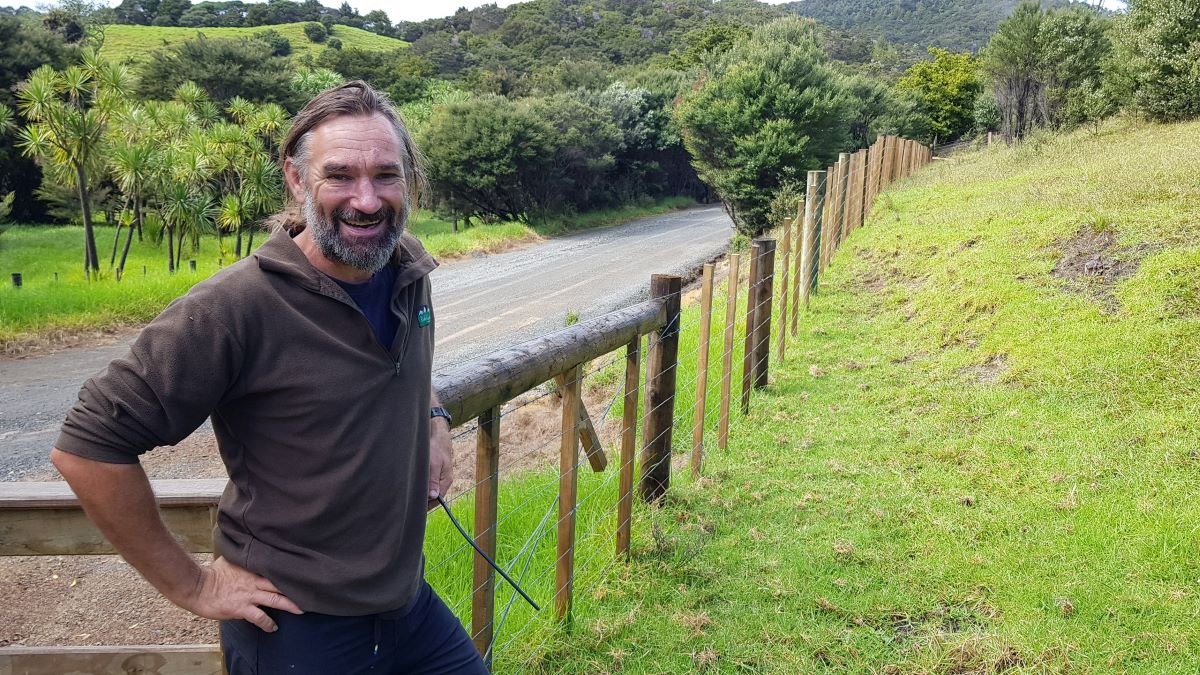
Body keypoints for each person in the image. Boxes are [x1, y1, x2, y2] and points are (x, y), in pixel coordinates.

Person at [50, 81, 488, 674]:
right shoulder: (235, 307)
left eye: (386, 175)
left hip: (407, 607)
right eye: (340, 176)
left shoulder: (405, 263)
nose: (367, 199)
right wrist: (193, 586)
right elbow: (88, 443)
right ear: (297, 178)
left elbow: (401, 362)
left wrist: (434, 417)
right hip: (297, 628)